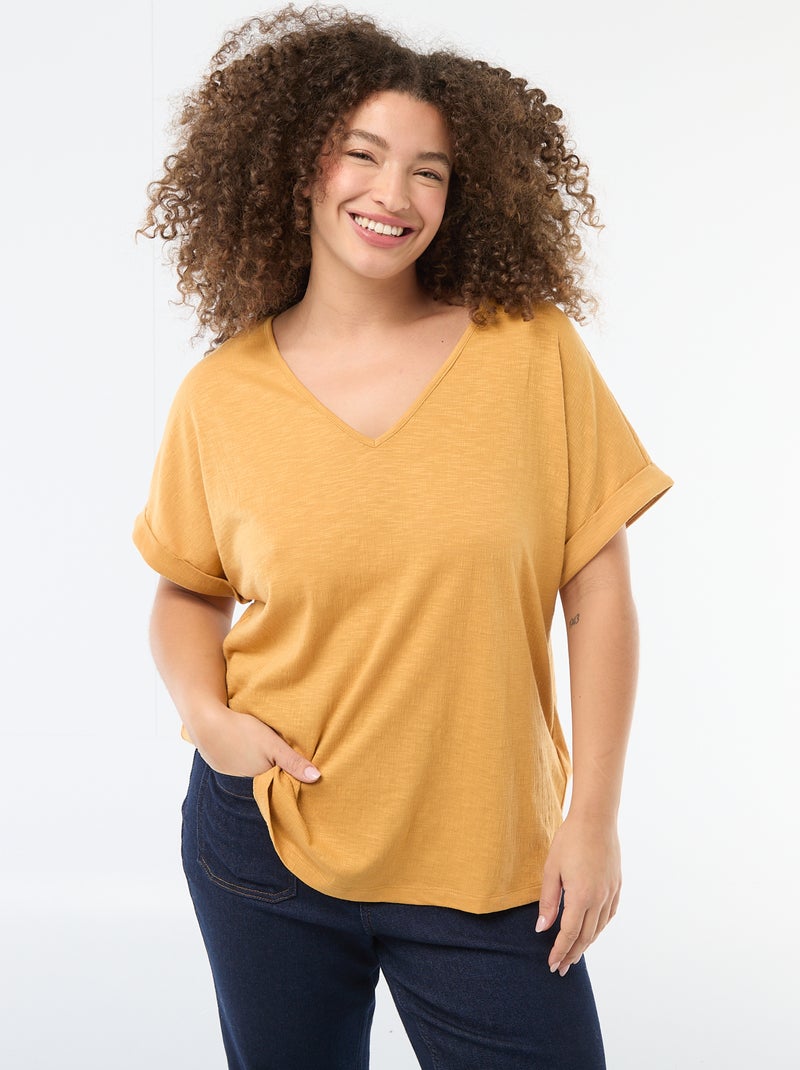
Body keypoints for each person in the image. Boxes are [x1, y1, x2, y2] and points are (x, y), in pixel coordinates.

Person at [133, 6, 672, 1068]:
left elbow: (597, 593)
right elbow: (188, 588)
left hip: (489, 860)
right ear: (299, 166)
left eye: (430, 171)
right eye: (363, 154)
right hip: (266, 841)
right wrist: (208, 719)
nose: (394, 194)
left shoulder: (530, 354)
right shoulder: (221, 395)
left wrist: (592, 818)